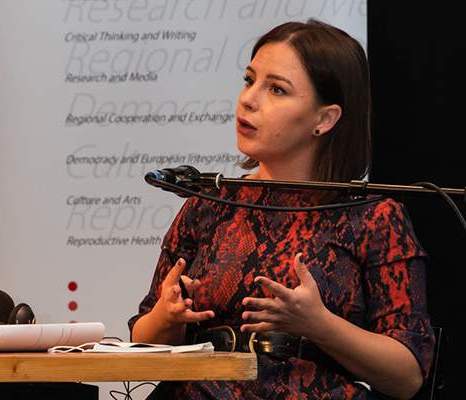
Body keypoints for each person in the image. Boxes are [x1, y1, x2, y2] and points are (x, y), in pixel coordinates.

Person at [129, 19, 435, 400]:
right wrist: (166, 317)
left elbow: (408, 376)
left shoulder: (374, 219)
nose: (248, 99)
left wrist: (319, 325)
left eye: (276, 89)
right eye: (249, 80)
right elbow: (140, 338)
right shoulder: (208, 203)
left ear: (325, 119)